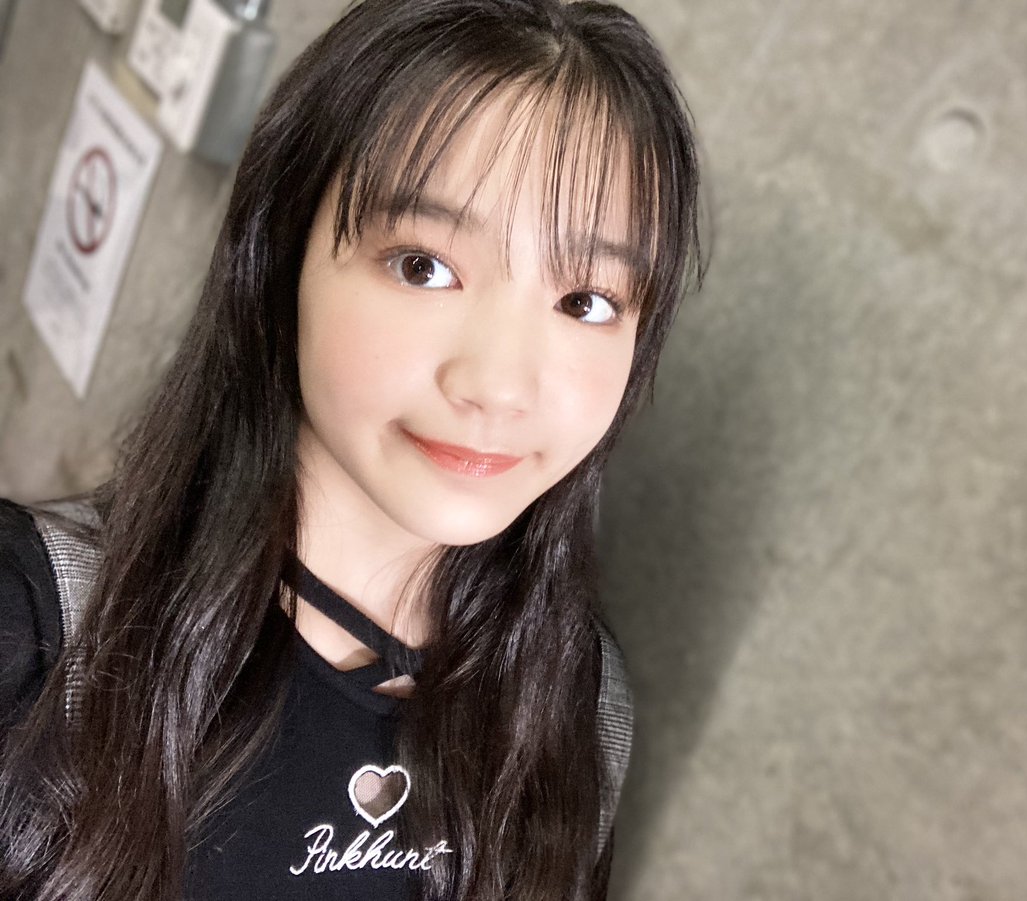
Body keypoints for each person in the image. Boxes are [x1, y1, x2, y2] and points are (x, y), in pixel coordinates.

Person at [0, 0, 703, 898]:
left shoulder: (578, 708)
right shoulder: (35, 626)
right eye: (423, 266)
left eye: (587, 302)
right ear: (280, 255)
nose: (499, 385)